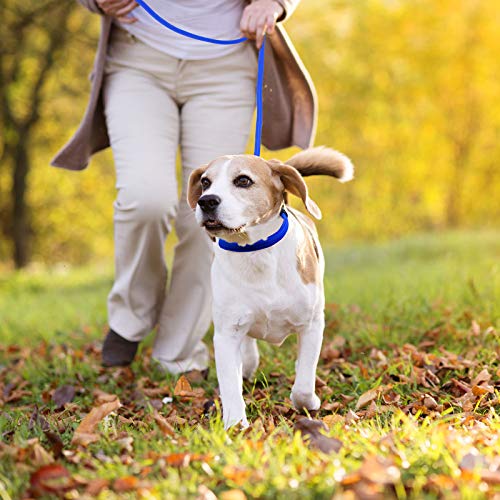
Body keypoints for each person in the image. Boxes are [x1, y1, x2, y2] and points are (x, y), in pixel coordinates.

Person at [51, 0, 317, 373]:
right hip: (137, 58)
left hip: (226, 62)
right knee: (146, 199)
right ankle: (131, 315)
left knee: (218, 216)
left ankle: (177, 350)